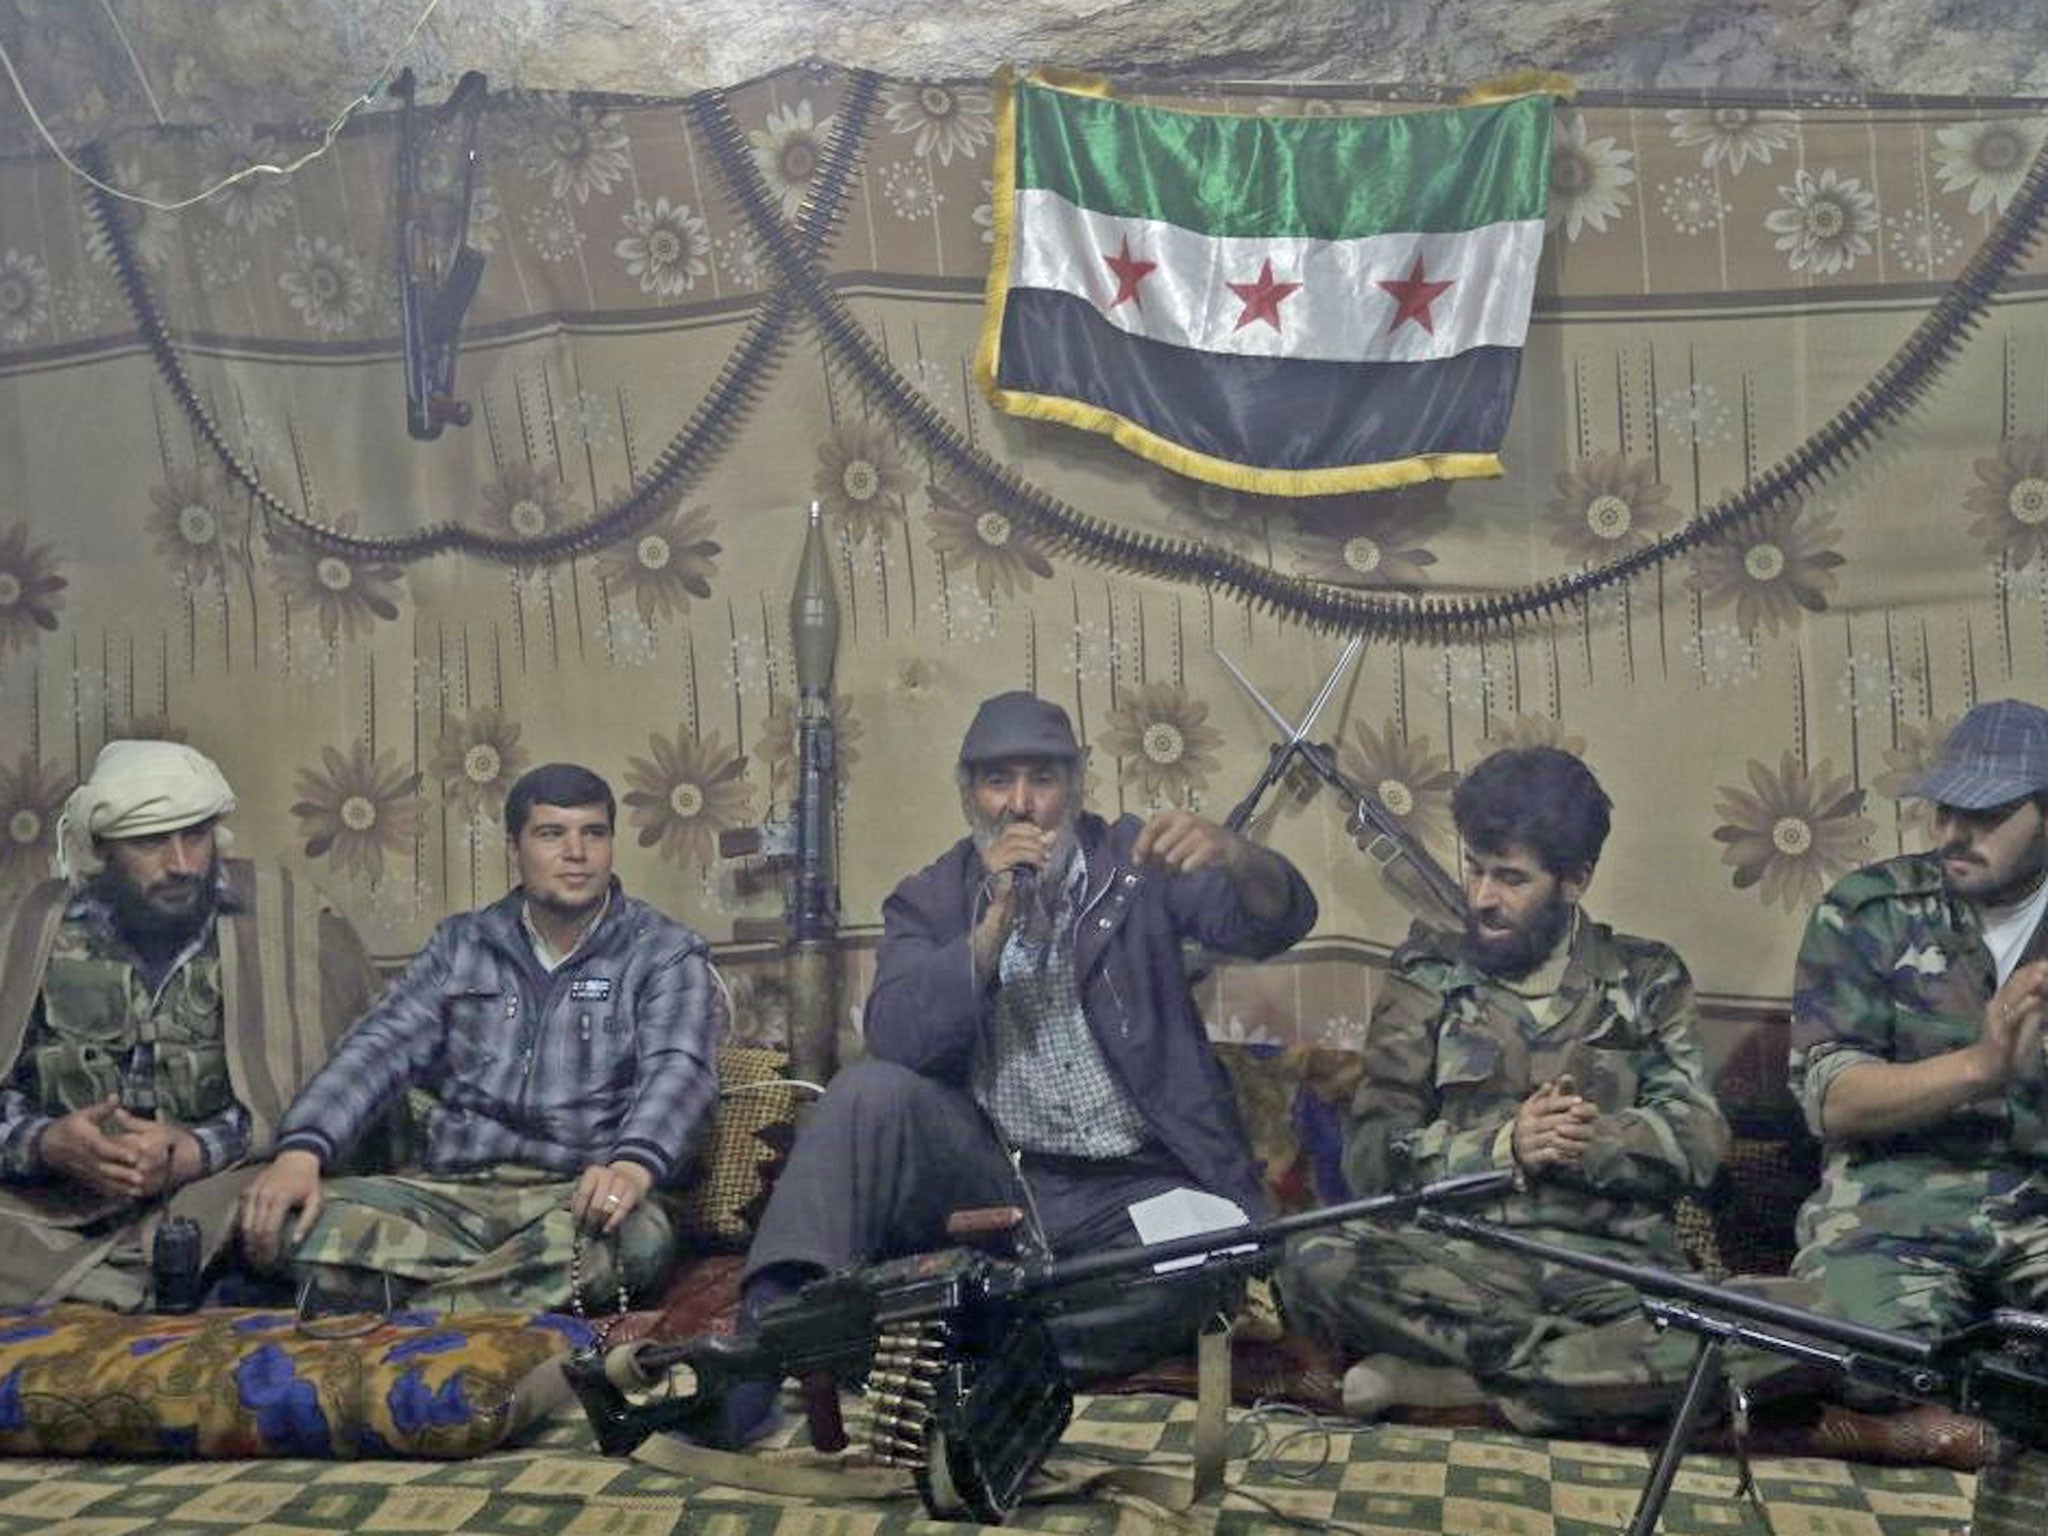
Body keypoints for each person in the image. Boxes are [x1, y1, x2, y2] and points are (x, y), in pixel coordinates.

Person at [721, 690, 1317, 1437]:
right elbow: (900, 1037)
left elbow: (1276, 922)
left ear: (1076, 784)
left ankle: (967, 1354)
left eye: (1043, 779)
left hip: (1136, 1184)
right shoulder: (933, 897)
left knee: (1198, 1274)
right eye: (999, 782)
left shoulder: (1135, 864)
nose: (1022, 805)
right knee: (866, 1089)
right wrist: (991, 923)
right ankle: (762, 1341)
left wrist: (1237, 855)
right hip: (1001, 1175)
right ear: (970, 793)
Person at [1280, 746, 1731, 1433]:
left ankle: (1470, 1386)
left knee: (1797, 1334)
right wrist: (1504, 1147)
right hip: (1462, 1268)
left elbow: (1700, 1142)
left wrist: (1588, 1138)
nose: (1482, 898)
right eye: (1475, 869)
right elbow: (1370, 1155)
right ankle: (1584, 1381)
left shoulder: (1647, 977)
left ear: (1575, 879)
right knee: (1313, 1260)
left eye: (1511, 878)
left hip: (1617, 1272)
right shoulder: (1427, 974)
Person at [236, 762, 720, 1314]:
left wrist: (632, 1169)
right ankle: (499, 1299)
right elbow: (379, 1047)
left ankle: (414, 1319)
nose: (577, 852)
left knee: (637, 1245)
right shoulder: (463, 945)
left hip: (579, 1199)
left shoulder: (663, 952)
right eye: (551, 833)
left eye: (594, 833)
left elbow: (680, 1071)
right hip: (451, 1197)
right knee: (280, 1226)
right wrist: (302, 1150)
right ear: (514, 846)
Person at [0, 739, 380, 1309]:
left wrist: (196, 1149)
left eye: (196, 835)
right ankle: (144, 1292)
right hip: (55, 1213)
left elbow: (354, 1089)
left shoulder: (291, 918)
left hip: (226, 1200)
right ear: (101, 845)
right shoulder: (32, 928)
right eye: (151, 841)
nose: (181, 864)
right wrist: (45, 1143)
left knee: (338, 1232)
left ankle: (122, 1294)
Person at [1788, 698, 2048, 1335]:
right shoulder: (1867, 912)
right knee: (1859, 1362)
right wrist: (1980, 1068)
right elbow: (1835, 1102)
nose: (1953, 834)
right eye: (1945, 809)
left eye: (1985, 814)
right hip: (1893, 1205)